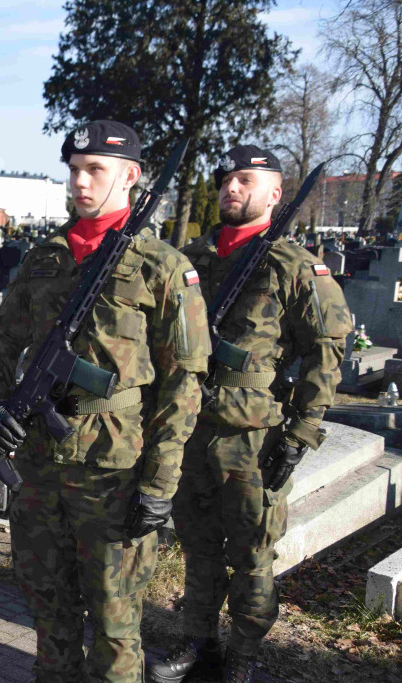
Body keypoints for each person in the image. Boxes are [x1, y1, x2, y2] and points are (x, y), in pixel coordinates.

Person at [0, 121, 211, 683]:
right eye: (74, 170)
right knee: (48, 610)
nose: (80, 182)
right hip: (38, 466)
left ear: (130, 176)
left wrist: (160, 481)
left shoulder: (162, 267)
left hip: (113, 474)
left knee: (115, 623)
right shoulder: (45, 258)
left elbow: (184, 384)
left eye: (95, 171)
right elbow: (0, 344)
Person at [147, 146, 352, 683]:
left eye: (245, 180)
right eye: (225, 181)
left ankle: (243, 653)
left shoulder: (294, 267)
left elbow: (327, 351)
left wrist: (301, 432)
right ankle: (197, 640)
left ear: (275, 195)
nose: (230, 189)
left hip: (253, 440)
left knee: (253, 553)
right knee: (196, 544)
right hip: (191, 430)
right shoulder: (192, 259)